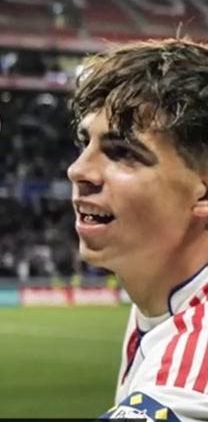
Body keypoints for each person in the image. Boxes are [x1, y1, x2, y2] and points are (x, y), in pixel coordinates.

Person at [67, 39, 208, 420]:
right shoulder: (162, 296)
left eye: (123, 152)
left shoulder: (187, 387)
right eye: (85, 143)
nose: (79, 170)